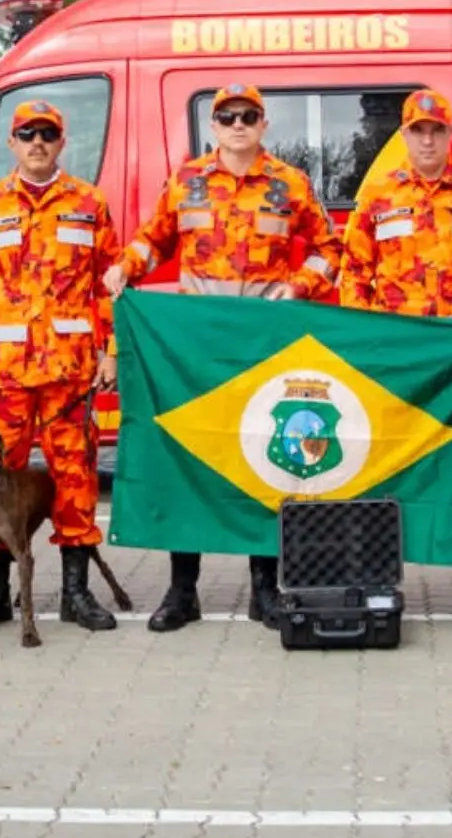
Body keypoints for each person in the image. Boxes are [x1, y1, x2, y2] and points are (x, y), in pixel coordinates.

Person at [103, 83, 342, 632]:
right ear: (213, 127)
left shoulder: (290, 185)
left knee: (267, 458)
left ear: (263, 125)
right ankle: (182, 591)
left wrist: (303, 285)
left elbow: (333, 249)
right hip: (195, 350)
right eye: (227, 116)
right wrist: (126, 267)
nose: (238, 125)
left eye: (248, 116)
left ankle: (266, 589)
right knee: (191, 461)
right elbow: (152, 240)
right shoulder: (186, 182)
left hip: (264, 346)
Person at [0, 100, 121, 633]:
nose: (37, 142)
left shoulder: (89, 204)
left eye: (48, 133)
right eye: (27, 134)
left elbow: (109, 283)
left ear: (61, 142)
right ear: (12, 144)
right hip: (5, 379)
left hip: (69, 375)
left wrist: (111, 351)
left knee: (75, 479)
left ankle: (75, 594)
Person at [338, 89, 452, 631]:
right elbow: (355, 273)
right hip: (397, 358)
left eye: (436, 130)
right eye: (417, 131)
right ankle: (375, 583)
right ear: (404, 136)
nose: (427, 139)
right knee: (384, 466)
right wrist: (366, 341)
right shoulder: (379, 196)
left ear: (449, 134)